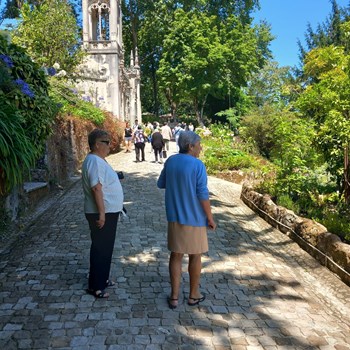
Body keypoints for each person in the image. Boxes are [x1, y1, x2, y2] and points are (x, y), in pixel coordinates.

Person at [157, 131, 216, 309]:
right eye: (199, 145)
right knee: (195, 255)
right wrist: (210, 217)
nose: (201, 148)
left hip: (174, 217)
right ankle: (193, 294)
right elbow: (203, 194)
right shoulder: (198, 165)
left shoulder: (171, 161)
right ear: (190, 146)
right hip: (195, 218)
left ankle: (174, 297)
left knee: (176, 255)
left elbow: (161, 183)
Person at [82, 129, 124, 299]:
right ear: (97, 144)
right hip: (101, 213)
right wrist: (102, 214)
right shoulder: (94, 161)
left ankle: (103, 279)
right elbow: (96, 188)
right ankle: (96, 286)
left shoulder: (98, 160)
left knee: (106, 248)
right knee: (100, 249)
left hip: (108, 211)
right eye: (106, 142)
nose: (109, 145)